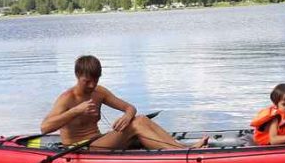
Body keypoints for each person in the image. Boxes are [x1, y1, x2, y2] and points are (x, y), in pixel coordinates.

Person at [41, 55, 209, 150]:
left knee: (140, 119)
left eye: (96, 80)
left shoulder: (99, 92)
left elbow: (130, 108)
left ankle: (183, 149)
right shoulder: (67, 98)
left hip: (99, 140)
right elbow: (45, 128)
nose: (92, 85)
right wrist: (76, 111)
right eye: (87, 81)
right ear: (78, 76)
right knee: (136, 126)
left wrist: (128, 116)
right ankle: (184, 153)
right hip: (80, 148)